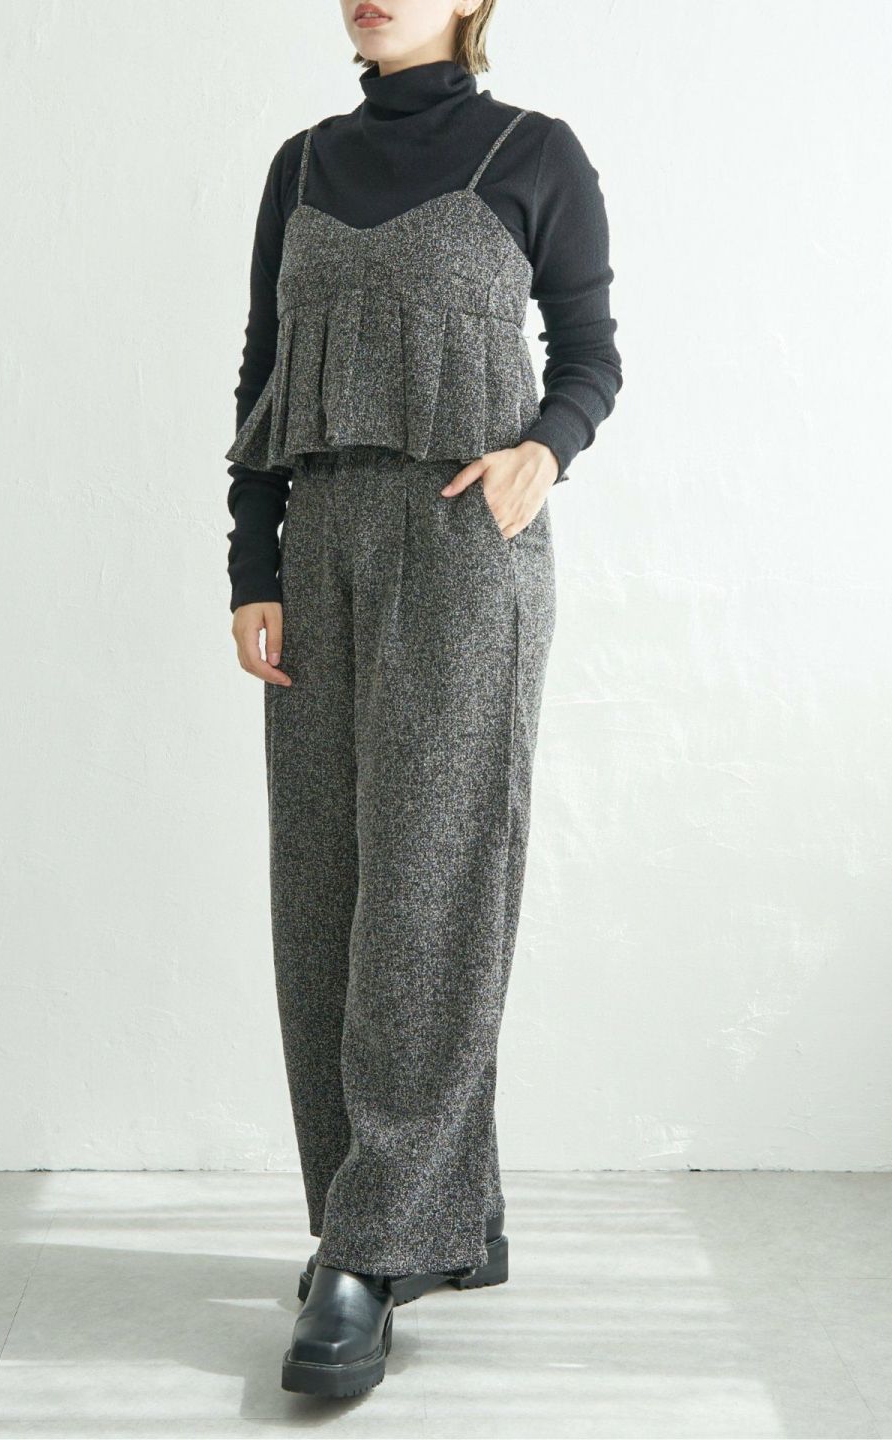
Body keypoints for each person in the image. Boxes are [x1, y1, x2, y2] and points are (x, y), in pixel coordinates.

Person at [224, 0, 622, 1399]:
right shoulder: (301, 165)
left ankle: (371, 1247)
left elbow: (592, 354)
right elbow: (262, 372)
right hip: (321, 550)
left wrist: (543, 451)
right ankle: (404, 1212)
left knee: (430, 889)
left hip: (464, 553)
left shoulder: (537, 152)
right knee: (323, 890)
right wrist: (253, 565)